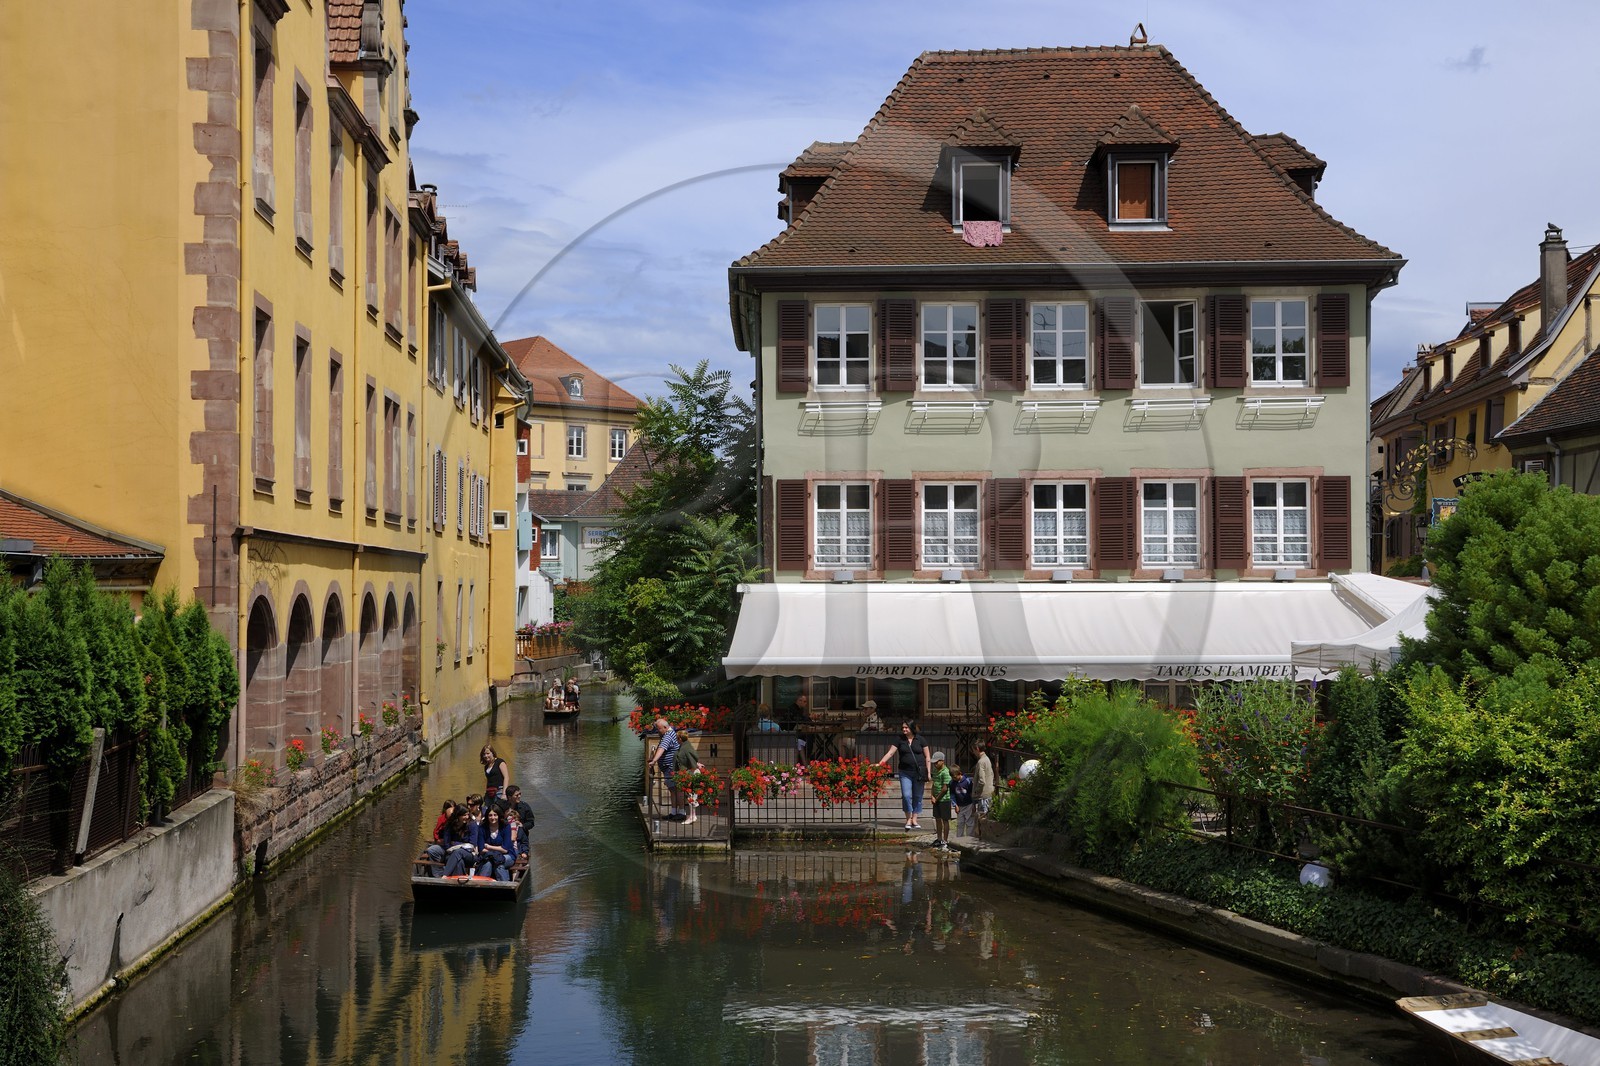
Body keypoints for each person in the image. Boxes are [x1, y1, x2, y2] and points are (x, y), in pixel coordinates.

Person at [877, 721, 931, 831]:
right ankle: (908, 819)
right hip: (905, 772)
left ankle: (915, 819)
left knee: (917, 796)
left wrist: (928, 772)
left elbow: (927, 757)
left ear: (912, 728)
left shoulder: (920, 739)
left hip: (919, 772)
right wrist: (880, 763)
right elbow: (890, 753)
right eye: (903, 728)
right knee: (906, 795)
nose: (904, 730)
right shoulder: (899, 739)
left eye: (906, 728)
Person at [648, 714, 684, 820]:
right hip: (669, 768)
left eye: (659, 729)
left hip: (672, 767)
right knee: (673, 789)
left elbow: (662, 748)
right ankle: (673, 812)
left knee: (678, 789)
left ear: (665, 727)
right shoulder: (668, 734)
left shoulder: (668, 735)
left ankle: (681, 812)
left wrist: (654, 760)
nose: (658, 731)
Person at [476, 806, 515, 881]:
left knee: (498, 863)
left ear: (499, 815)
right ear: (487, 817)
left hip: (507, 856)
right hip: (488, 857)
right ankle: (481, 885)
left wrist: (488, 846)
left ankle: (504, 886)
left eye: (495, 815)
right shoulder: (482, 828)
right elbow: (481, 849)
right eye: (490, 815)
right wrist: (495, 852)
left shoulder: (505, 827)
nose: (493, 817)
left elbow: (505, 849)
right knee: (488, 864)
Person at [439, 807, 480, 877]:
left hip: (470, 855)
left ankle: (444, 875)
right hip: (451, 855)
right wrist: (464, 845)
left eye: (468, 815)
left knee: (458, 852)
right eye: (464, 815)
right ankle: (459, 884)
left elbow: (472, 845)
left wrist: (455, 843)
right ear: (458, 815)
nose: (467, 817)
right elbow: (447, 845)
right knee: (459, 862)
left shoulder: (472, 825)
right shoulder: (449, 825)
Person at [676, 729, 702, 826]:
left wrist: (693, 767)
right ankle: (693, 816)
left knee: (691, 796)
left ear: (679, 738)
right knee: (691, 796)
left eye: (677, 738)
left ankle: (691, 817)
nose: (676, 740)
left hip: (691, 773)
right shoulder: (686, 746)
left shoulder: (685, 748)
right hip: (691, 772)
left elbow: (692, 762)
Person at [929, 752, 953, 851]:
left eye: (936, 762)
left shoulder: (946, 772)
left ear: (942, 761)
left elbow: (944, 788)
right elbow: (934, 784)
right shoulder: (935, 771)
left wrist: (936, 798)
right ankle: (939, 839)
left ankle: (945, 840)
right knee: (937, 819)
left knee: (945, 820)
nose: (935, 764)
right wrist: (931, 795)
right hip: (936, 799)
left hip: (944, 800)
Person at [973, 742, 995, 841]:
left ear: (977, 749)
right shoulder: (987, 759)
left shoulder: (981, 762)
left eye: (973, 750)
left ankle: (982, 839)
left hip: (983, 794)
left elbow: (981, 780)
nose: (973, 752)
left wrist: (976, 792)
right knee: (986, 817)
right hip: (989, 792)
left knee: (982, 818)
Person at [424, 800, 456, 865]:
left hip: (451, 843)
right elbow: (436, 832)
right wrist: (437, 840)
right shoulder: (442, 819)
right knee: (431, 850)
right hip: (443, 841)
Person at [951, 763, 975, 839]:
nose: (954, 779)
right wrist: (955, 805)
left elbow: (972, 793)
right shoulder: (952, 783)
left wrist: (974, 804)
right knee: (960, 823)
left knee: (970, 822)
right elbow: (952, 795)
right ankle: (959, 839)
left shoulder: (967, 781)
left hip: (968, 804)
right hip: (959, 806)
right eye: (952, 778)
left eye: (955, 777)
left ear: (959, 774)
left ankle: (969, 839)